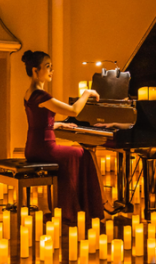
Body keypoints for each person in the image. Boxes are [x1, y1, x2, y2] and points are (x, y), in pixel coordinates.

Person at [21, 50, 105, 225]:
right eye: (48, 67)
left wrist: (58, 125)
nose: (51, 71)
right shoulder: (41, 95)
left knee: (77, 155)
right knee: (83, 154)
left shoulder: (29, 93)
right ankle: (80, 209)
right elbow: (73, 111)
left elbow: (38, 123)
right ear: (36, 71)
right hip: (45, 149)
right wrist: (86, 93)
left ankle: (74, 207)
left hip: (32, 147)